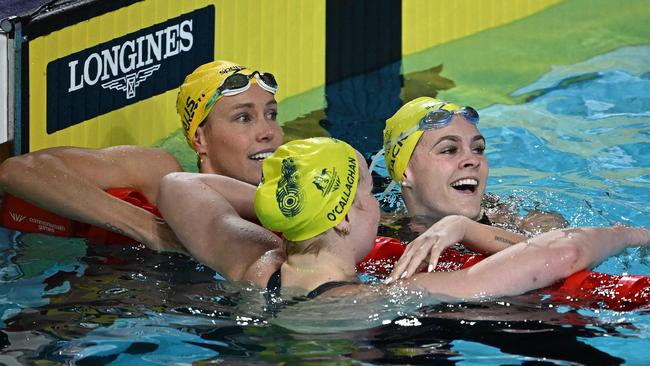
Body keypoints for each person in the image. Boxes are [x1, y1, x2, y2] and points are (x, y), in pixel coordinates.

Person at [157, 137, 650, 299]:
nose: (378, 204)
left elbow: (179, 186)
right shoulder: (383, 297)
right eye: (369, 194)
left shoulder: (252, 265)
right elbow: (562, 252)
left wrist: (290, 204)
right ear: (346, 218)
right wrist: (631, 234)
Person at [0, 60, 282, 251]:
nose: (267, 131)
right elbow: (18, 170)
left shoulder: (294, 198)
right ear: (200, 138)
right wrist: (150, 229)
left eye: (271, 114)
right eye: (244, 118)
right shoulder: (161, 177)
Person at [381, 96, 568, 236]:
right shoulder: (376, 235)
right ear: (405, 173)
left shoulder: (522, 227)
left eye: (478, 149)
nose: (473, 159)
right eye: (449, 150)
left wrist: (468, 232)